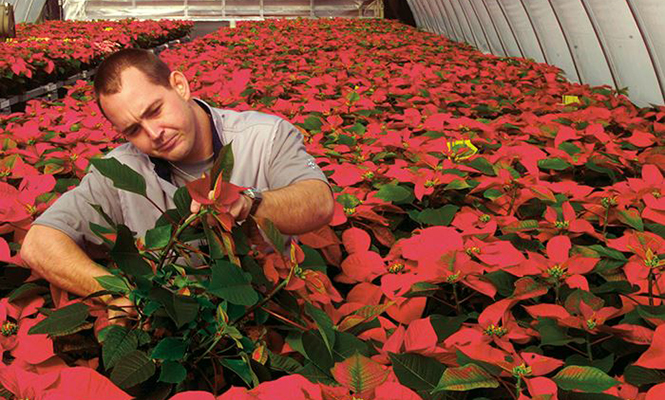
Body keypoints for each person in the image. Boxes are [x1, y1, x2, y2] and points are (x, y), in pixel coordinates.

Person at [19, 48, 335, 307]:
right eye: (133, 130)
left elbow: (318, 202)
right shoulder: (118, 172)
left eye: (155, 110)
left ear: (180, 86)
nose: (154, 134)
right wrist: (120, 293)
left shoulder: (265, 137)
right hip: (176, 329)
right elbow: (38, 243)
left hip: (264, 307)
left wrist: (248, 203)